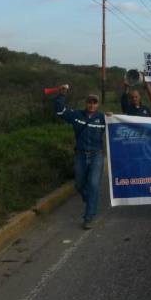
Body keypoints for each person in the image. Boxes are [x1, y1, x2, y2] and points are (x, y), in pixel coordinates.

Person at [54, 85, 107, 230]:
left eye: (95, 102)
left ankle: (89, 217)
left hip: (97, 155)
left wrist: (113, 116)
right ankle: (90, 199)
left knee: (94, 185)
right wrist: (62, 94)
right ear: (86, 103)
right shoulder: (76, 115)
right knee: (79, 184)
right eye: (90, 102)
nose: (92, 104)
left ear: (98, 104)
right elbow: (60, 111)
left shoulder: (103, 118)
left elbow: (120, 127)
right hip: (80, 155)